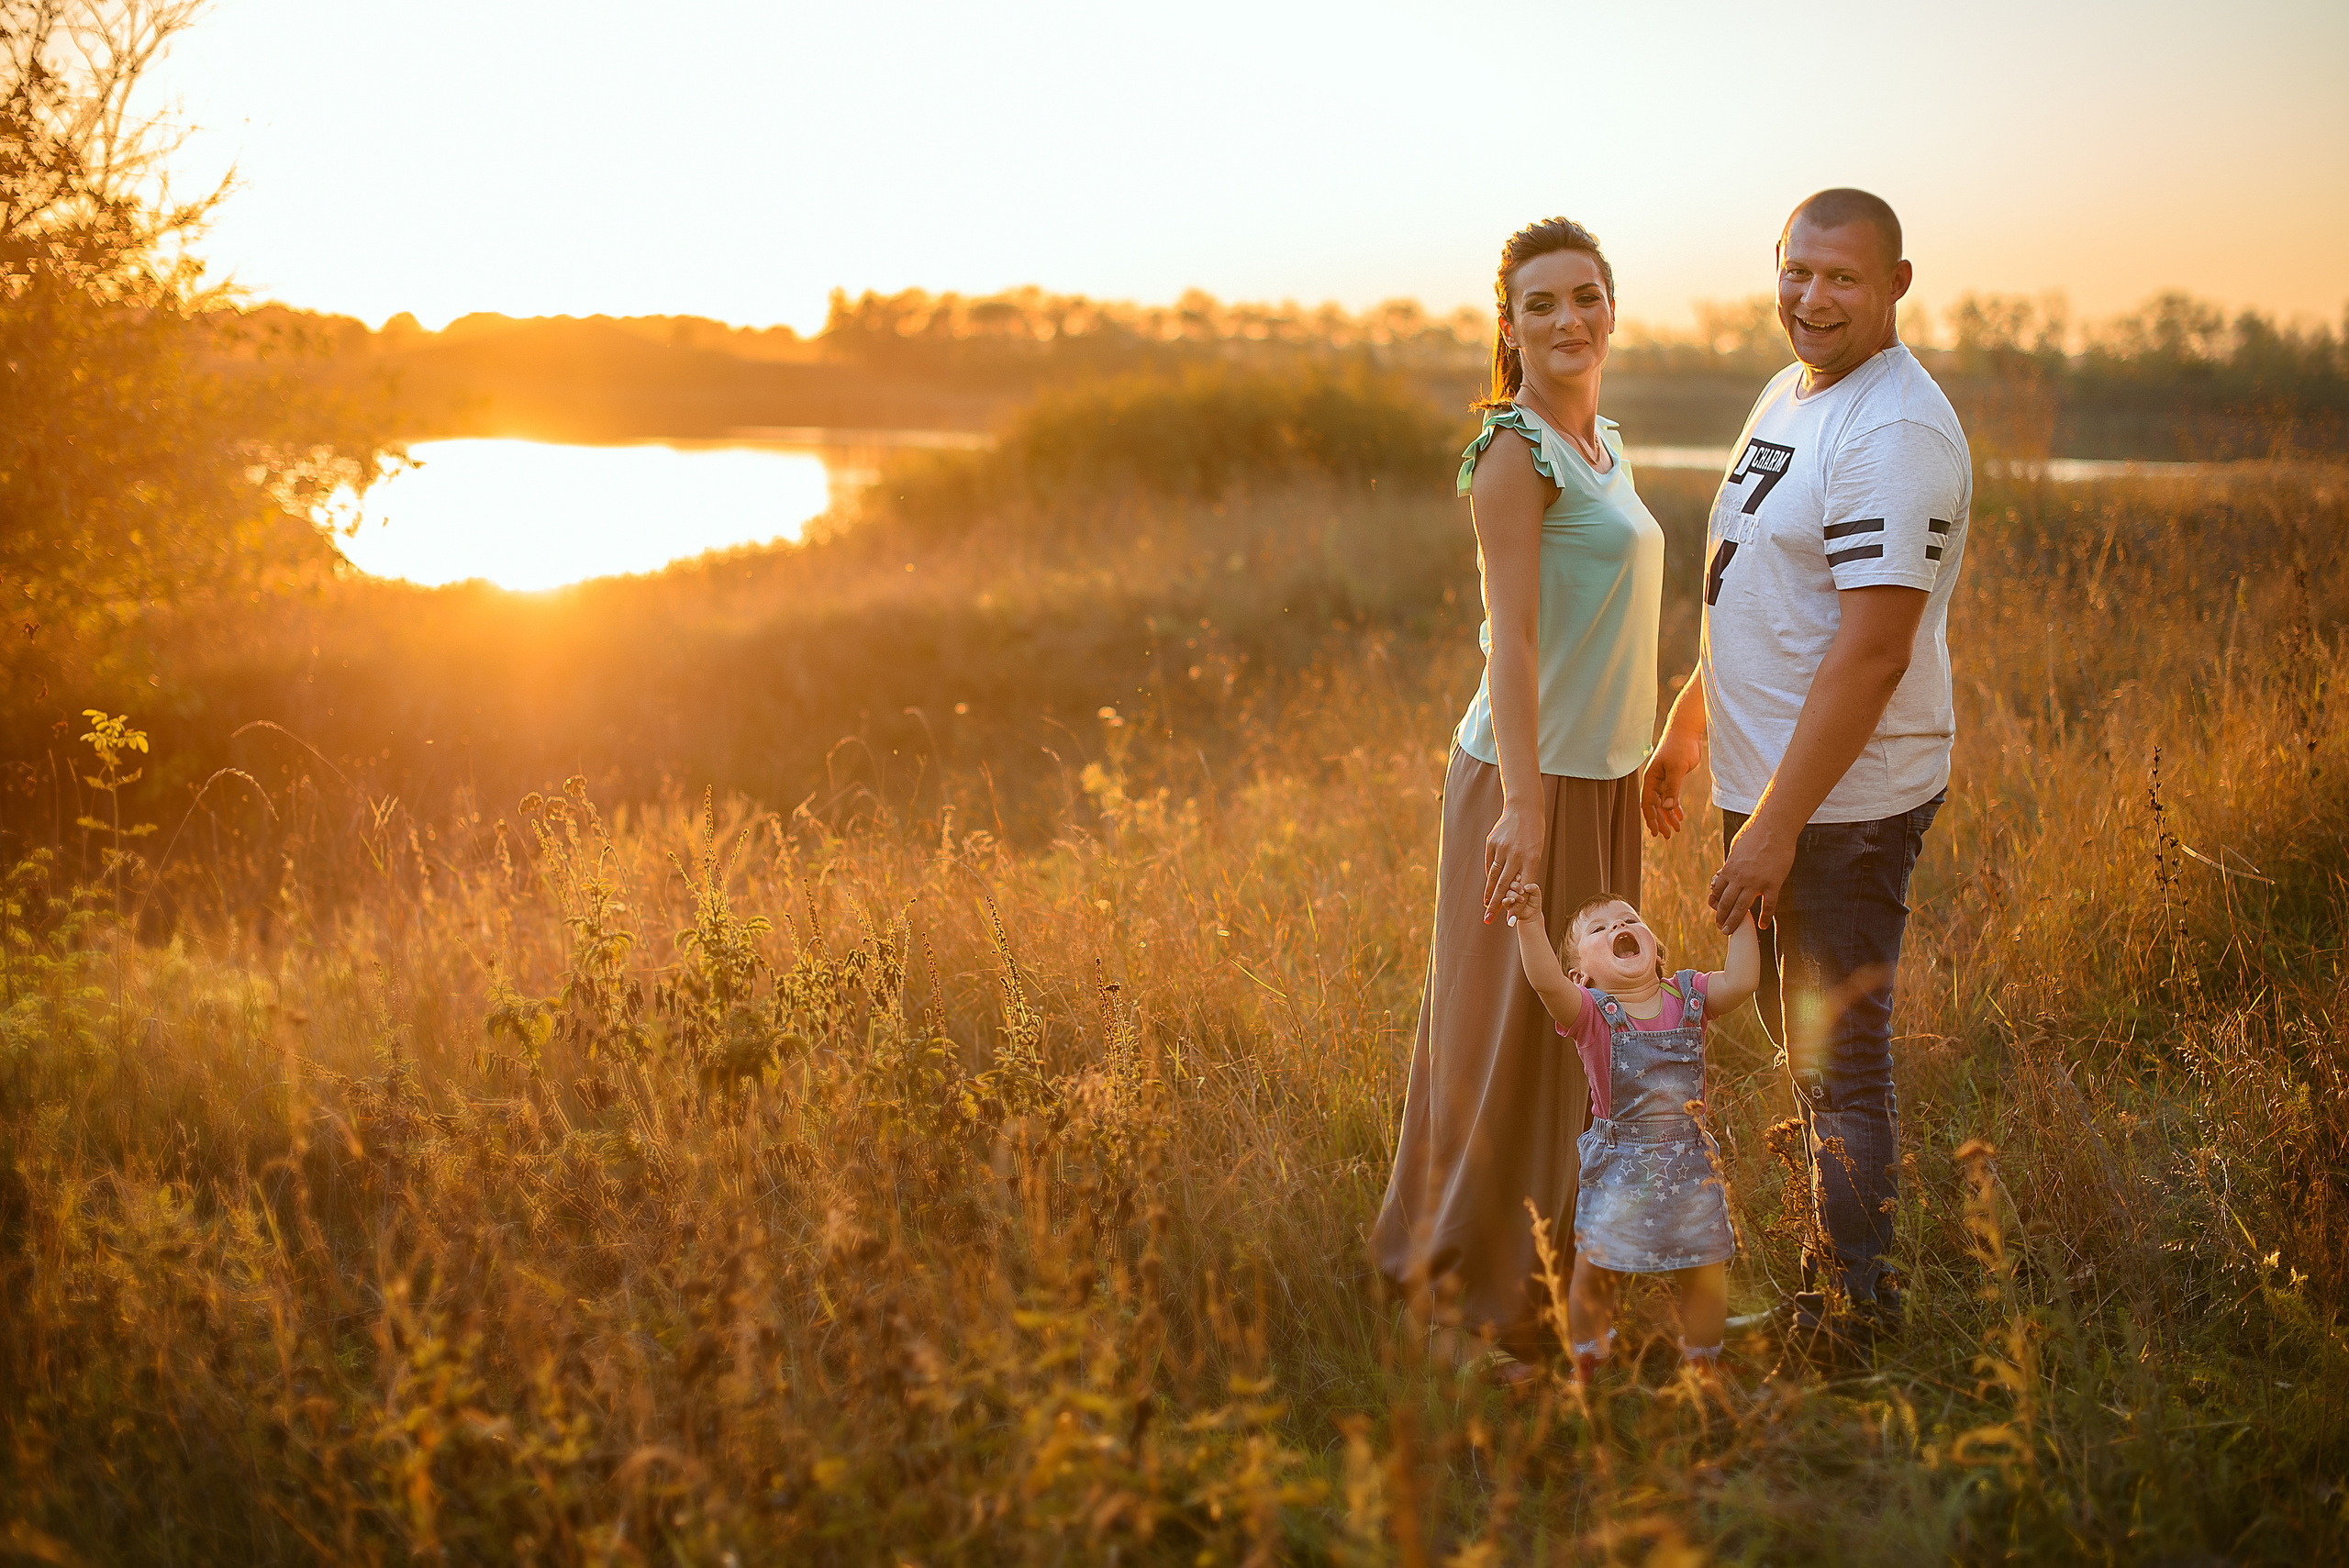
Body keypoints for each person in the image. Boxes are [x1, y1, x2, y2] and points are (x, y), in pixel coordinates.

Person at [1642, 188, 1972, 1349]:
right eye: (1798, 271)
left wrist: (1777, 823)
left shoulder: (1895, 431)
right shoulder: (1791, 391)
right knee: (1803, 1047)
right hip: (1771, 781)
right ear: (1774, 268)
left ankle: (1852, 1311)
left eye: (1842, 277)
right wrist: (1692, 721)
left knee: (1838, 1060)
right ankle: (1829, 1277)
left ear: (1895, 284)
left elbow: (1875, 646)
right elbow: (1752, 582)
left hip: (1841, 800)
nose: (1814, 297)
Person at [1372, 217, 1667, 1385]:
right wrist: (1528, 808)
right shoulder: (1514, 451)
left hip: (1597, 778)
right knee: (1504, 1028)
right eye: (1539, 303)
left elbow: (1612, 627)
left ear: (1611, 309)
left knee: (1579, 1039)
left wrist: (1645, 758)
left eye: (1584, 297)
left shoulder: (1607, 449)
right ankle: (1465, 1302)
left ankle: (1553, 1283)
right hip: (1524, 782)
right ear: (1509, 326)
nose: (1565, 320)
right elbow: (1517, 639)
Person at [1497, 881, 1759, 1383]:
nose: (1619, 927)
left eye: (1628, 919)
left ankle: (1703, 1358)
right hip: (1621, 1164)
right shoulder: (1591, 1014)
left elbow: (1744, 981)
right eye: (1599, 929)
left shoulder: (1690, 995)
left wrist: (1740, 916)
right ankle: (1589, 1357)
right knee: (1596, 1269)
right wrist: (1529, 923)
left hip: (1688, 1158)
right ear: (1583, 975)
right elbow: (1546, 982)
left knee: (1704, 1266)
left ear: (1656, 949)